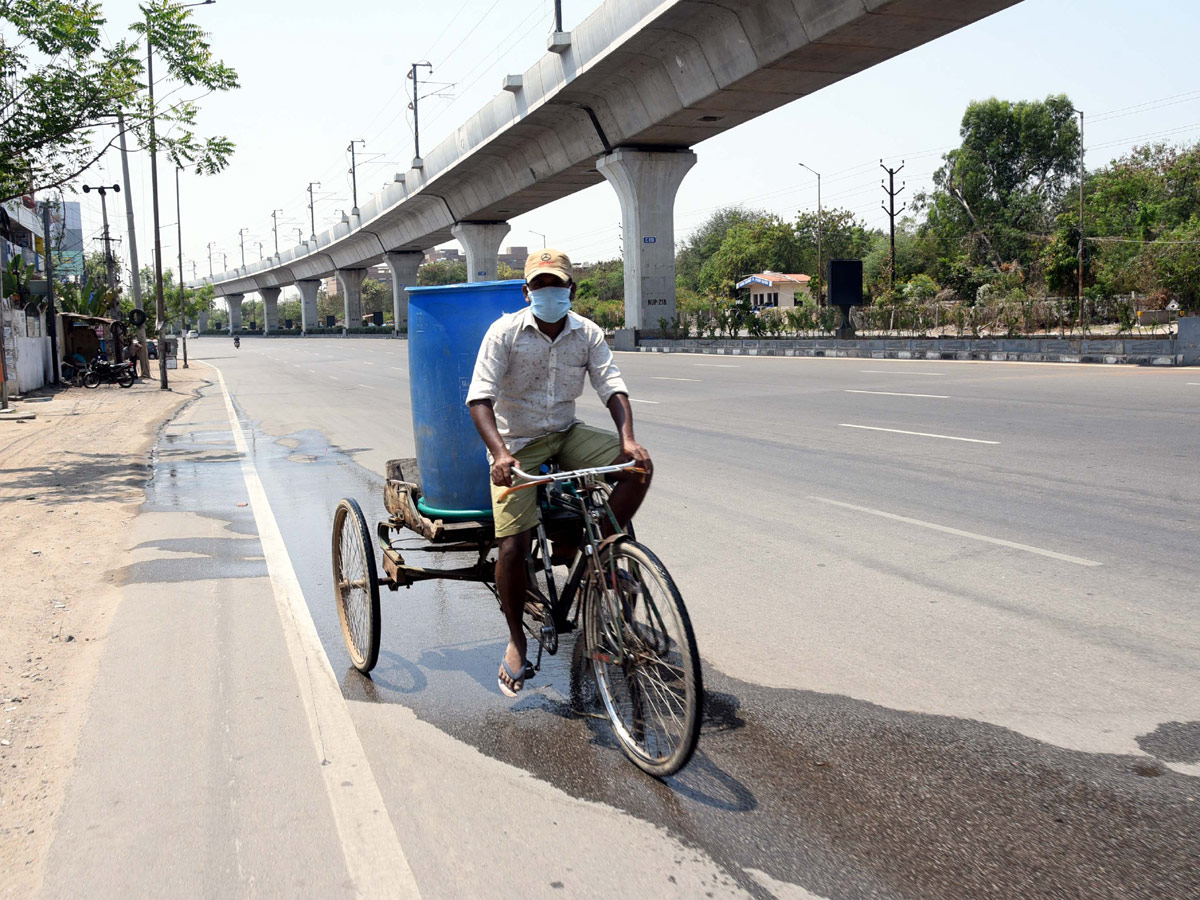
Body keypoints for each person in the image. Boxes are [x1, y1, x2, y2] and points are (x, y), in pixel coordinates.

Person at [467, 248, 652, 698]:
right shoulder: (504, 332)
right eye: (541, 285)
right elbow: (480, 398)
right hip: (520, 443)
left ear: (572, 290)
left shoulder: (586, 332)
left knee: (638, 469)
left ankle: (596, 555)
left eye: (558, 285)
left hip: (566, 433)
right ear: (526, 290)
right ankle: (515, 639)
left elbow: (611, 384)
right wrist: (499, 454)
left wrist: (626, 439)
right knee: (513, 542)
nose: (550, 292)